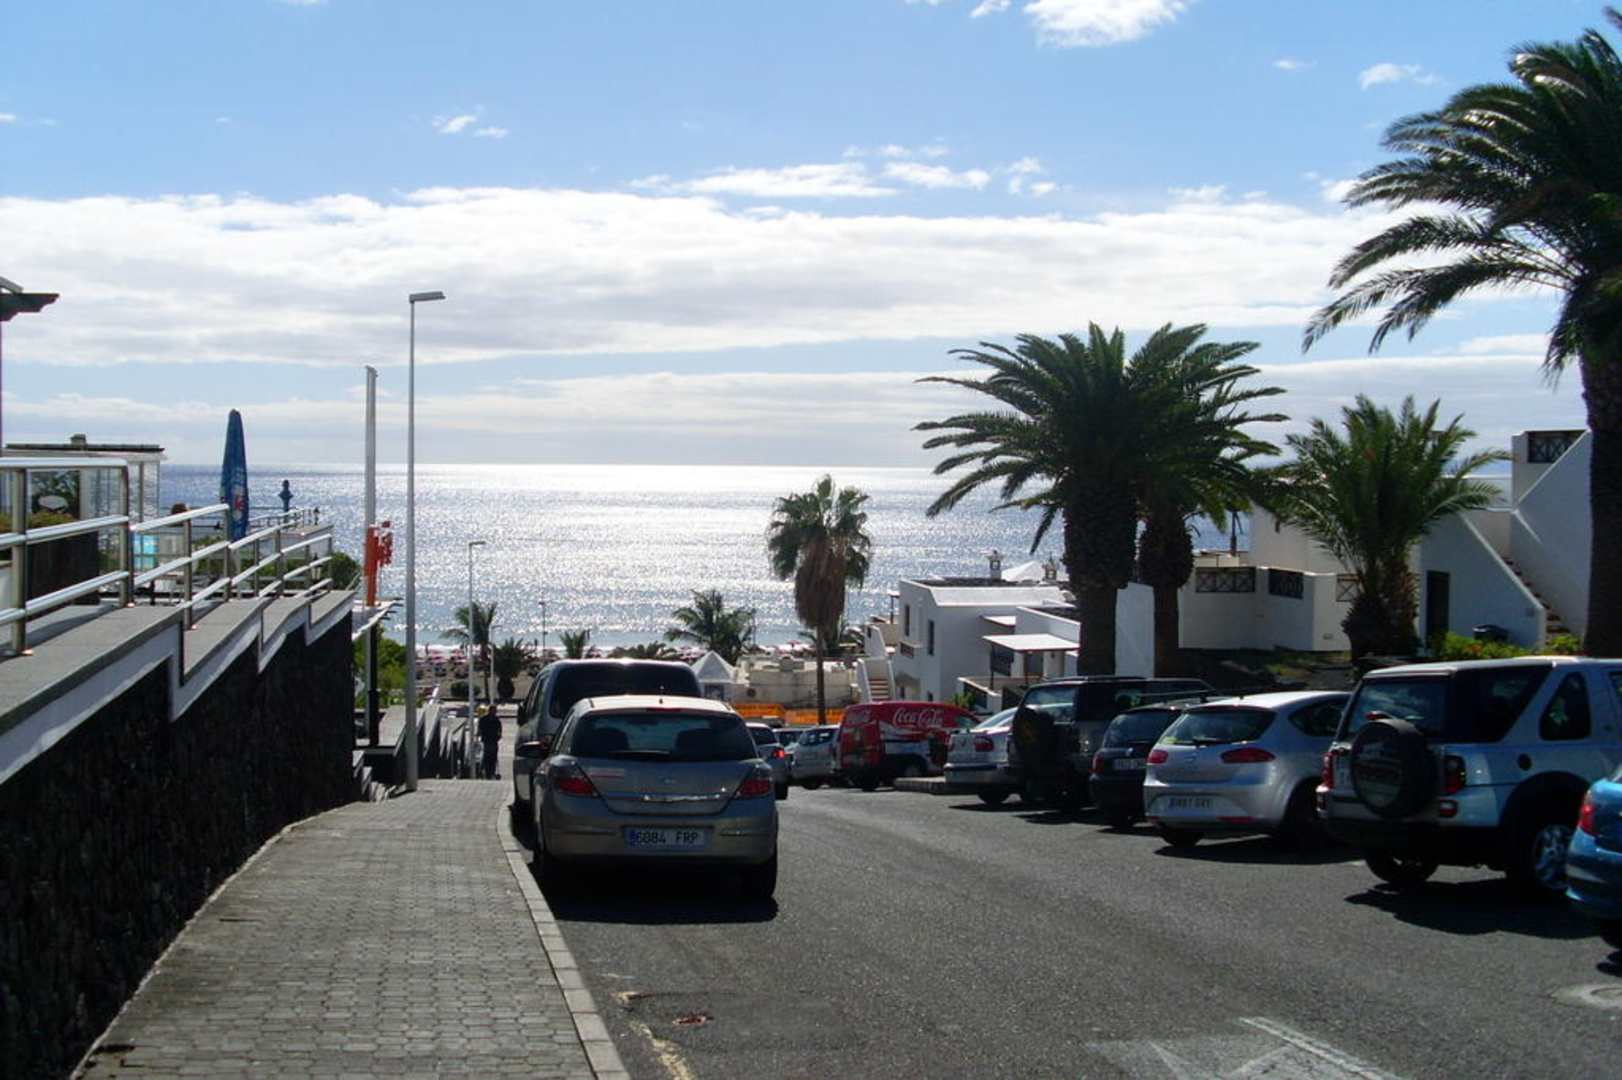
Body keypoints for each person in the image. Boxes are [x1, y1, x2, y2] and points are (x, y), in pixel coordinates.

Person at [478, 704, 502, 780]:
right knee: (487, 757)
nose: (494, 712)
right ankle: (486, 772)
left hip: (493, 740)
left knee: (493, 757)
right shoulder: (484, 719)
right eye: (493, 710)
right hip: (487, 740)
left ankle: (491, 772)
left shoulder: (496, 720)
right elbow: (480, 729)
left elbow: (499, 730)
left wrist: (498, 736)